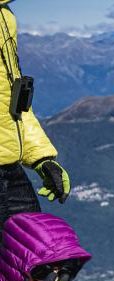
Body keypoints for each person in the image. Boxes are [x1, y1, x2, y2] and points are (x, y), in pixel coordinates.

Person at [0, 0, 71, 223]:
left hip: (8, 170)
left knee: (35, 252)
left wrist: (41, 157)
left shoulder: (4, 16)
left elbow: (10, 98)